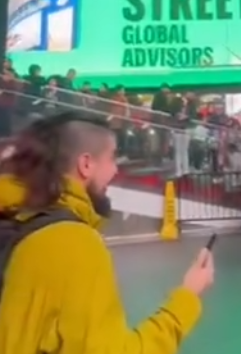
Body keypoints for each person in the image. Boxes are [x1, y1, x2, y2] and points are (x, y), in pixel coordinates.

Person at [0, 112, 213, 353]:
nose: (114, 170)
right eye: (112, 158)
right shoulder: (73, 243)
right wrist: (187, 297)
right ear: (86, 164)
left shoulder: (15, 215)